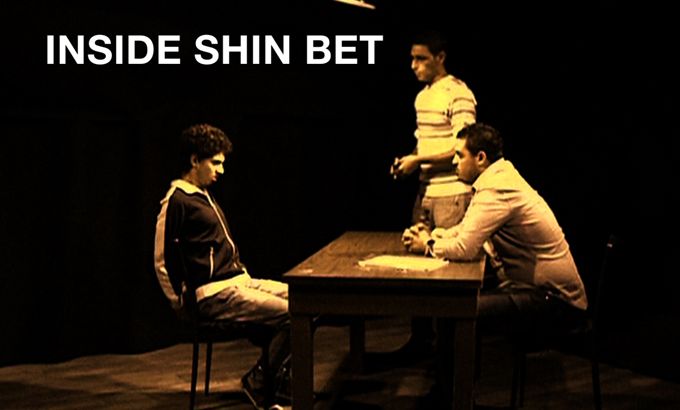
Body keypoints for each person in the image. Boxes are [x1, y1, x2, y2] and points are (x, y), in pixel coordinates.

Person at [153, 124, 289, 409]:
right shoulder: (177, 200)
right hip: (215, 294)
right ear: (194, 160)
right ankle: (260, 383)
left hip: (238, 282)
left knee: (305, 301)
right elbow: (161, 259)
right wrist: (178, 301)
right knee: (292, 314)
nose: (221, 170)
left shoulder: (203, 195)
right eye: (215, 163)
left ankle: (275, 379)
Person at [402, 123, 588, 322]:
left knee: (457, 308)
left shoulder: (497, 188)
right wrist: (436, 235)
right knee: (455, 303)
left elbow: (464, 249)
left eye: (460, 155)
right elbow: (467, 228)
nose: (454, 161)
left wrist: (428, 245)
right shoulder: (496, 178)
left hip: (556, 300)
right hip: (531, 290)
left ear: (480, 158)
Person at [390, 30, 478, 356]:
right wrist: (409, 160)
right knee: (418, 261)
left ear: (440, 58)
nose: (414, 65)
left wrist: (418, 160)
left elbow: (463, 147)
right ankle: (421, 342)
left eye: (421, 58)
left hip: (452, 192)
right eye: (412, 58)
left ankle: (450, 352)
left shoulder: (459, 93)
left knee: (448, 270)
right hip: (426, 190)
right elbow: (425, 143)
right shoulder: (422, 97)